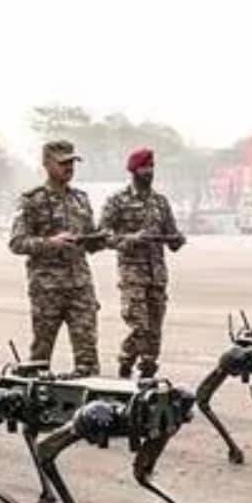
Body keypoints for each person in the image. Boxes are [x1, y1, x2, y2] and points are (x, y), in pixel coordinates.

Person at [9, 140, 104, 375]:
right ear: (47, 164)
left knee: (88, 356)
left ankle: (88, 396)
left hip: (80, 288)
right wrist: (51, 243)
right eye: (63, 163)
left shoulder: (80, 199)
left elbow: (91, 240)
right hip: (47, 290)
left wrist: (100, 239)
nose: (69, 167)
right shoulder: (32, 200)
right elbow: (17, 242)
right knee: (40, 358)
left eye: (72, 162)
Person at [99, 147, 185, 379]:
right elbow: (103, 236)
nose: (149, 172)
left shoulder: (160, 202)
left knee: (154, 330)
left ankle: (148, 370)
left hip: (157, 275)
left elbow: (171, 235)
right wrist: (131, 239)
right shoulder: (117, 201)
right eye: (145, 168)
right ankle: (126, 360)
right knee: (139, 327)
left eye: (152, 167)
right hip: (132, 275)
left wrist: (177, 240)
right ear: (134, 170)